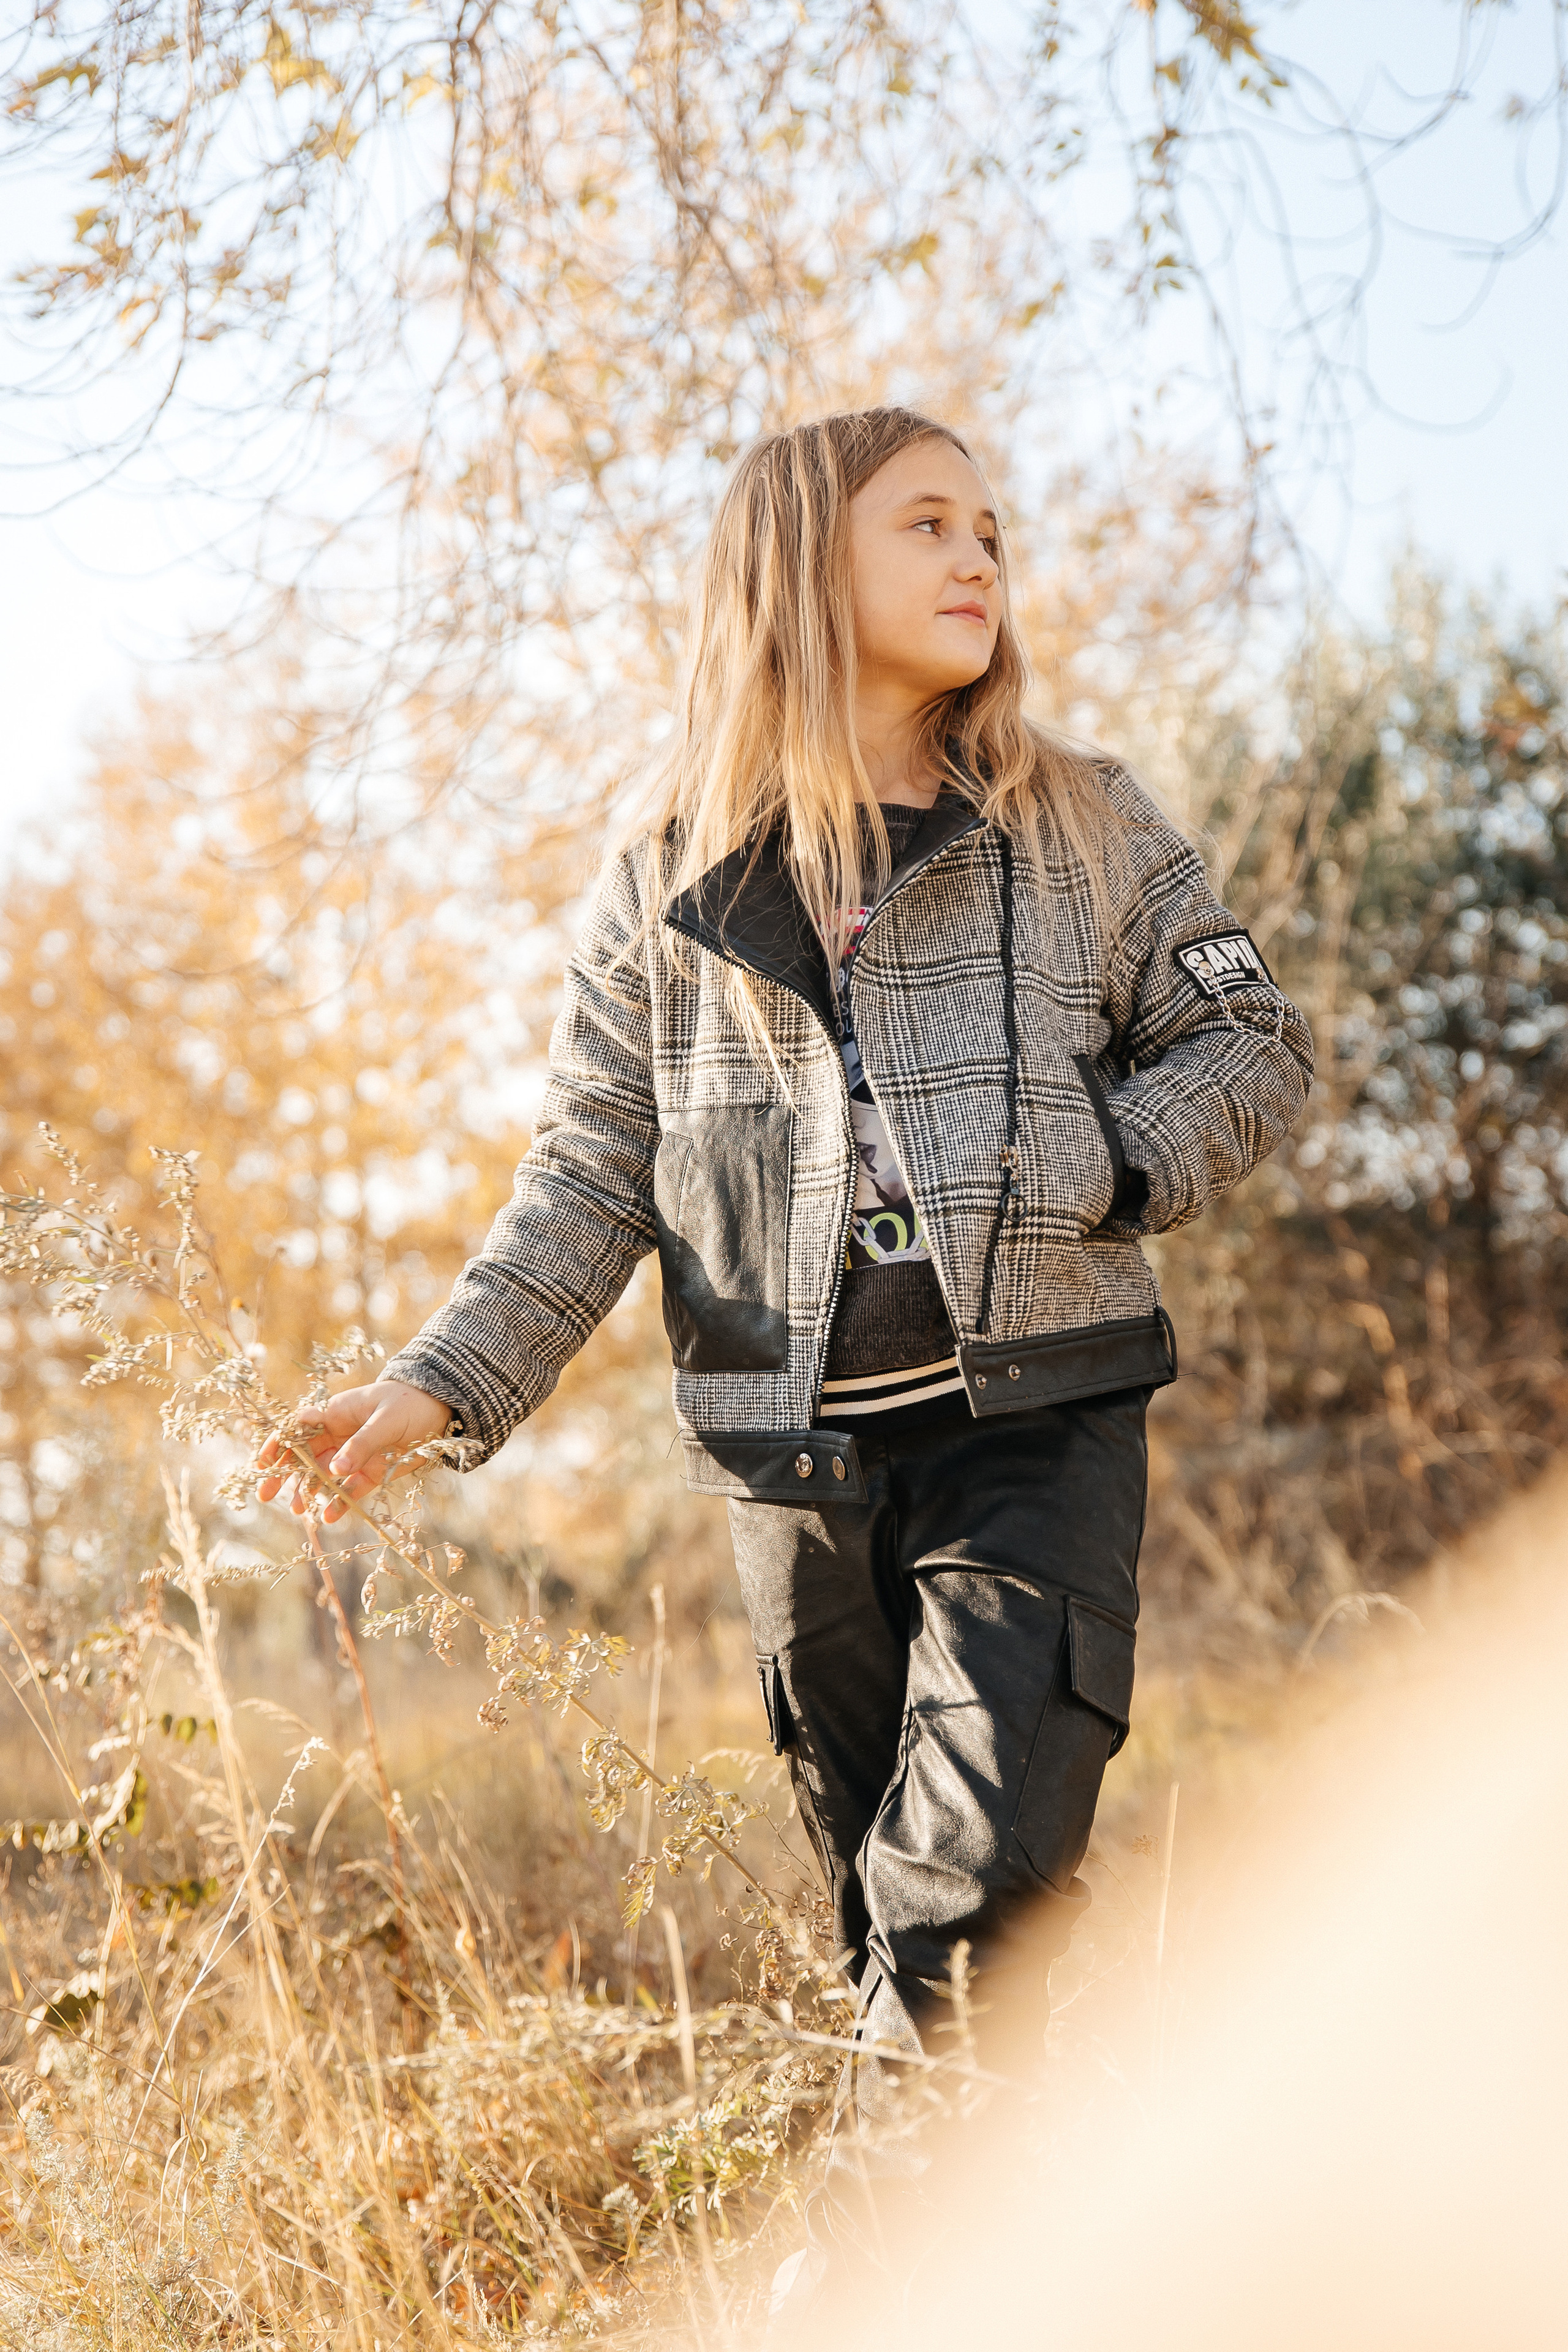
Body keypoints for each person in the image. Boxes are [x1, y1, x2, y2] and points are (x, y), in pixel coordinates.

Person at [259, 404, 1310, 2182]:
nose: (981, 554)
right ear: (800, 567)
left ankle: (850, 2262)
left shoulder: (1086, 822)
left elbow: (1251, 1042)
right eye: (927, 526)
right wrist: (433, 1384)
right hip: (793, 1471)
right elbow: (593, 1176)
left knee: (961, 1897)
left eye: (991, 524)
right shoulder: (663, 875)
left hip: (1038, 1428)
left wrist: (1102, 1161)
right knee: (899, 1932)